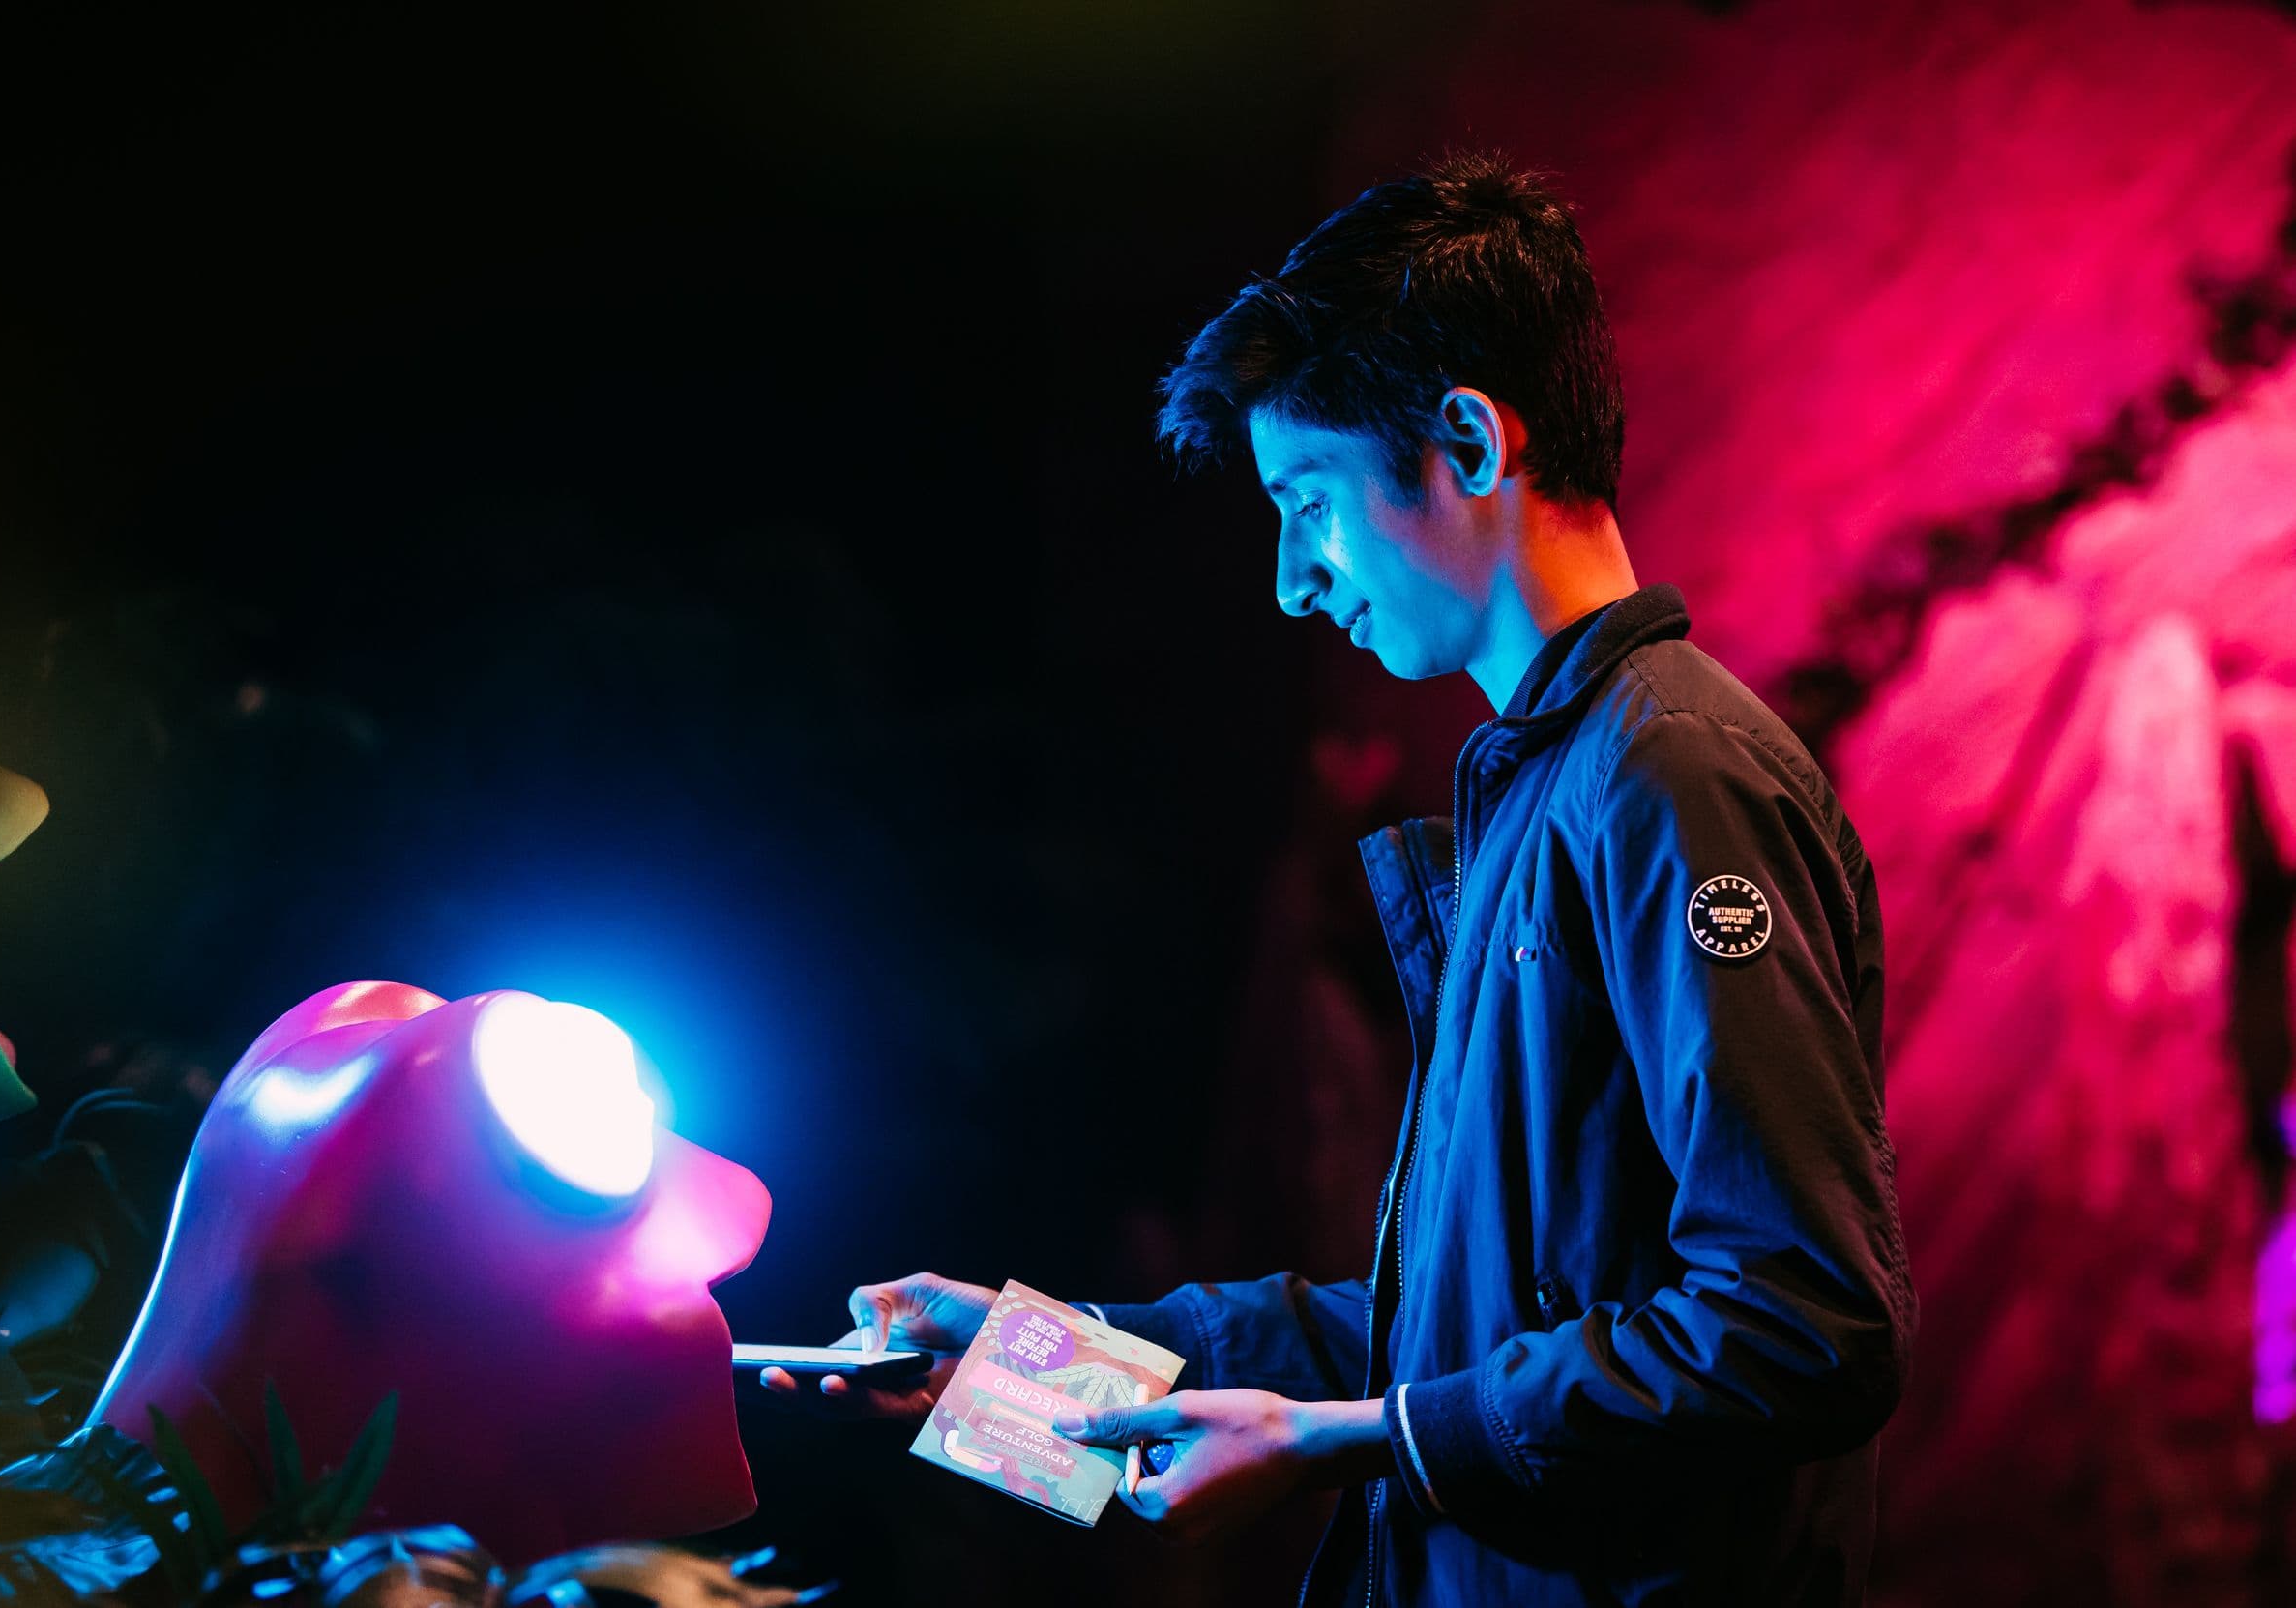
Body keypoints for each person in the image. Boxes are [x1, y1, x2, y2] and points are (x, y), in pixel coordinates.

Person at [762, 151, 1915, 1606]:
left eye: (1309, 501)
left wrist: (1356, 1439)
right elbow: (1452, 1337)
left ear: (1469, 444)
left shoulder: (1675, 773)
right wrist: (1014, 1380)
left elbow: (1804, 1321)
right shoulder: (1553, 789)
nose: (1293, 581)